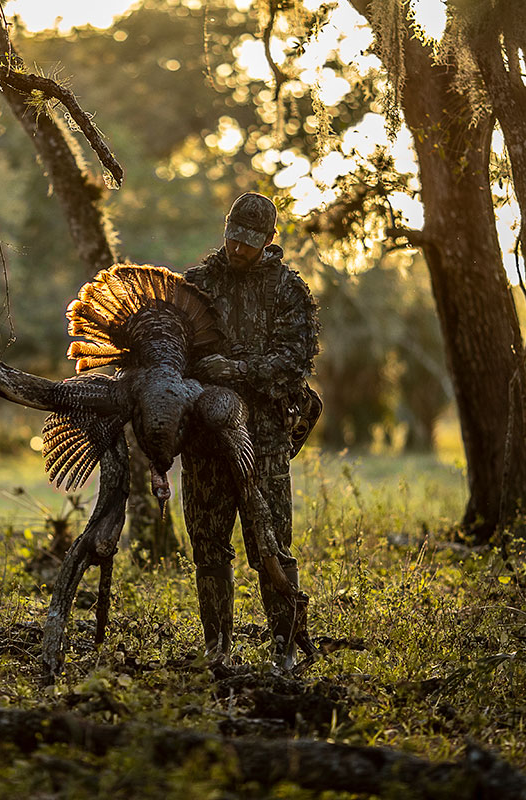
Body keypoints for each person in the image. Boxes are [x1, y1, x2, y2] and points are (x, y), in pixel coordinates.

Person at [183, 191, 320, 669]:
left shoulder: (288, 290)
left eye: (250, 242)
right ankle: (216, 648)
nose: (239, 249)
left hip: (264, 441)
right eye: (233, 237)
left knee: (272, 547)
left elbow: (294, 363)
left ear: (269, 240)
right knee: (208, 546)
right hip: (204, 440)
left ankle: (283, 651)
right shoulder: (195, 284)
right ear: (225, 230)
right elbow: (173, 351)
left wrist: (234, 371)